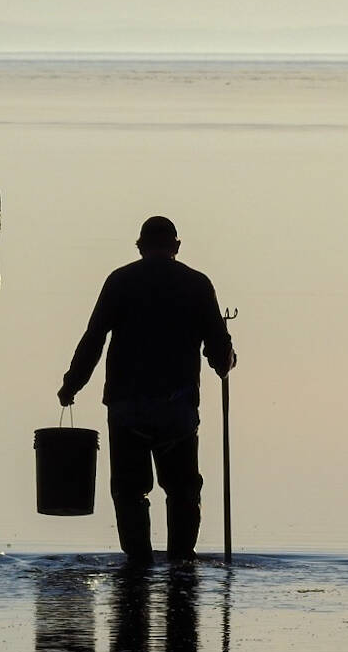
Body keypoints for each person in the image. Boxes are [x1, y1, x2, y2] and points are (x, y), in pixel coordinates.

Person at [57, 216, 235, 564]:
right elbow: (219, 355)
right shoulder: (198, 285)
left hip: (127, 410)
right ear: (177, 247)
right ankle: (181, 562)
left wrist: (71, 384)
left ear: (140, 247)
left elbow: (93, 339)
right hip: (178, 411)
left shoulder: (120, 281)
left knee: (129, 491)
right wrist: (227, 358)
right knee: (182, 491)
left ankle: (138, 564)